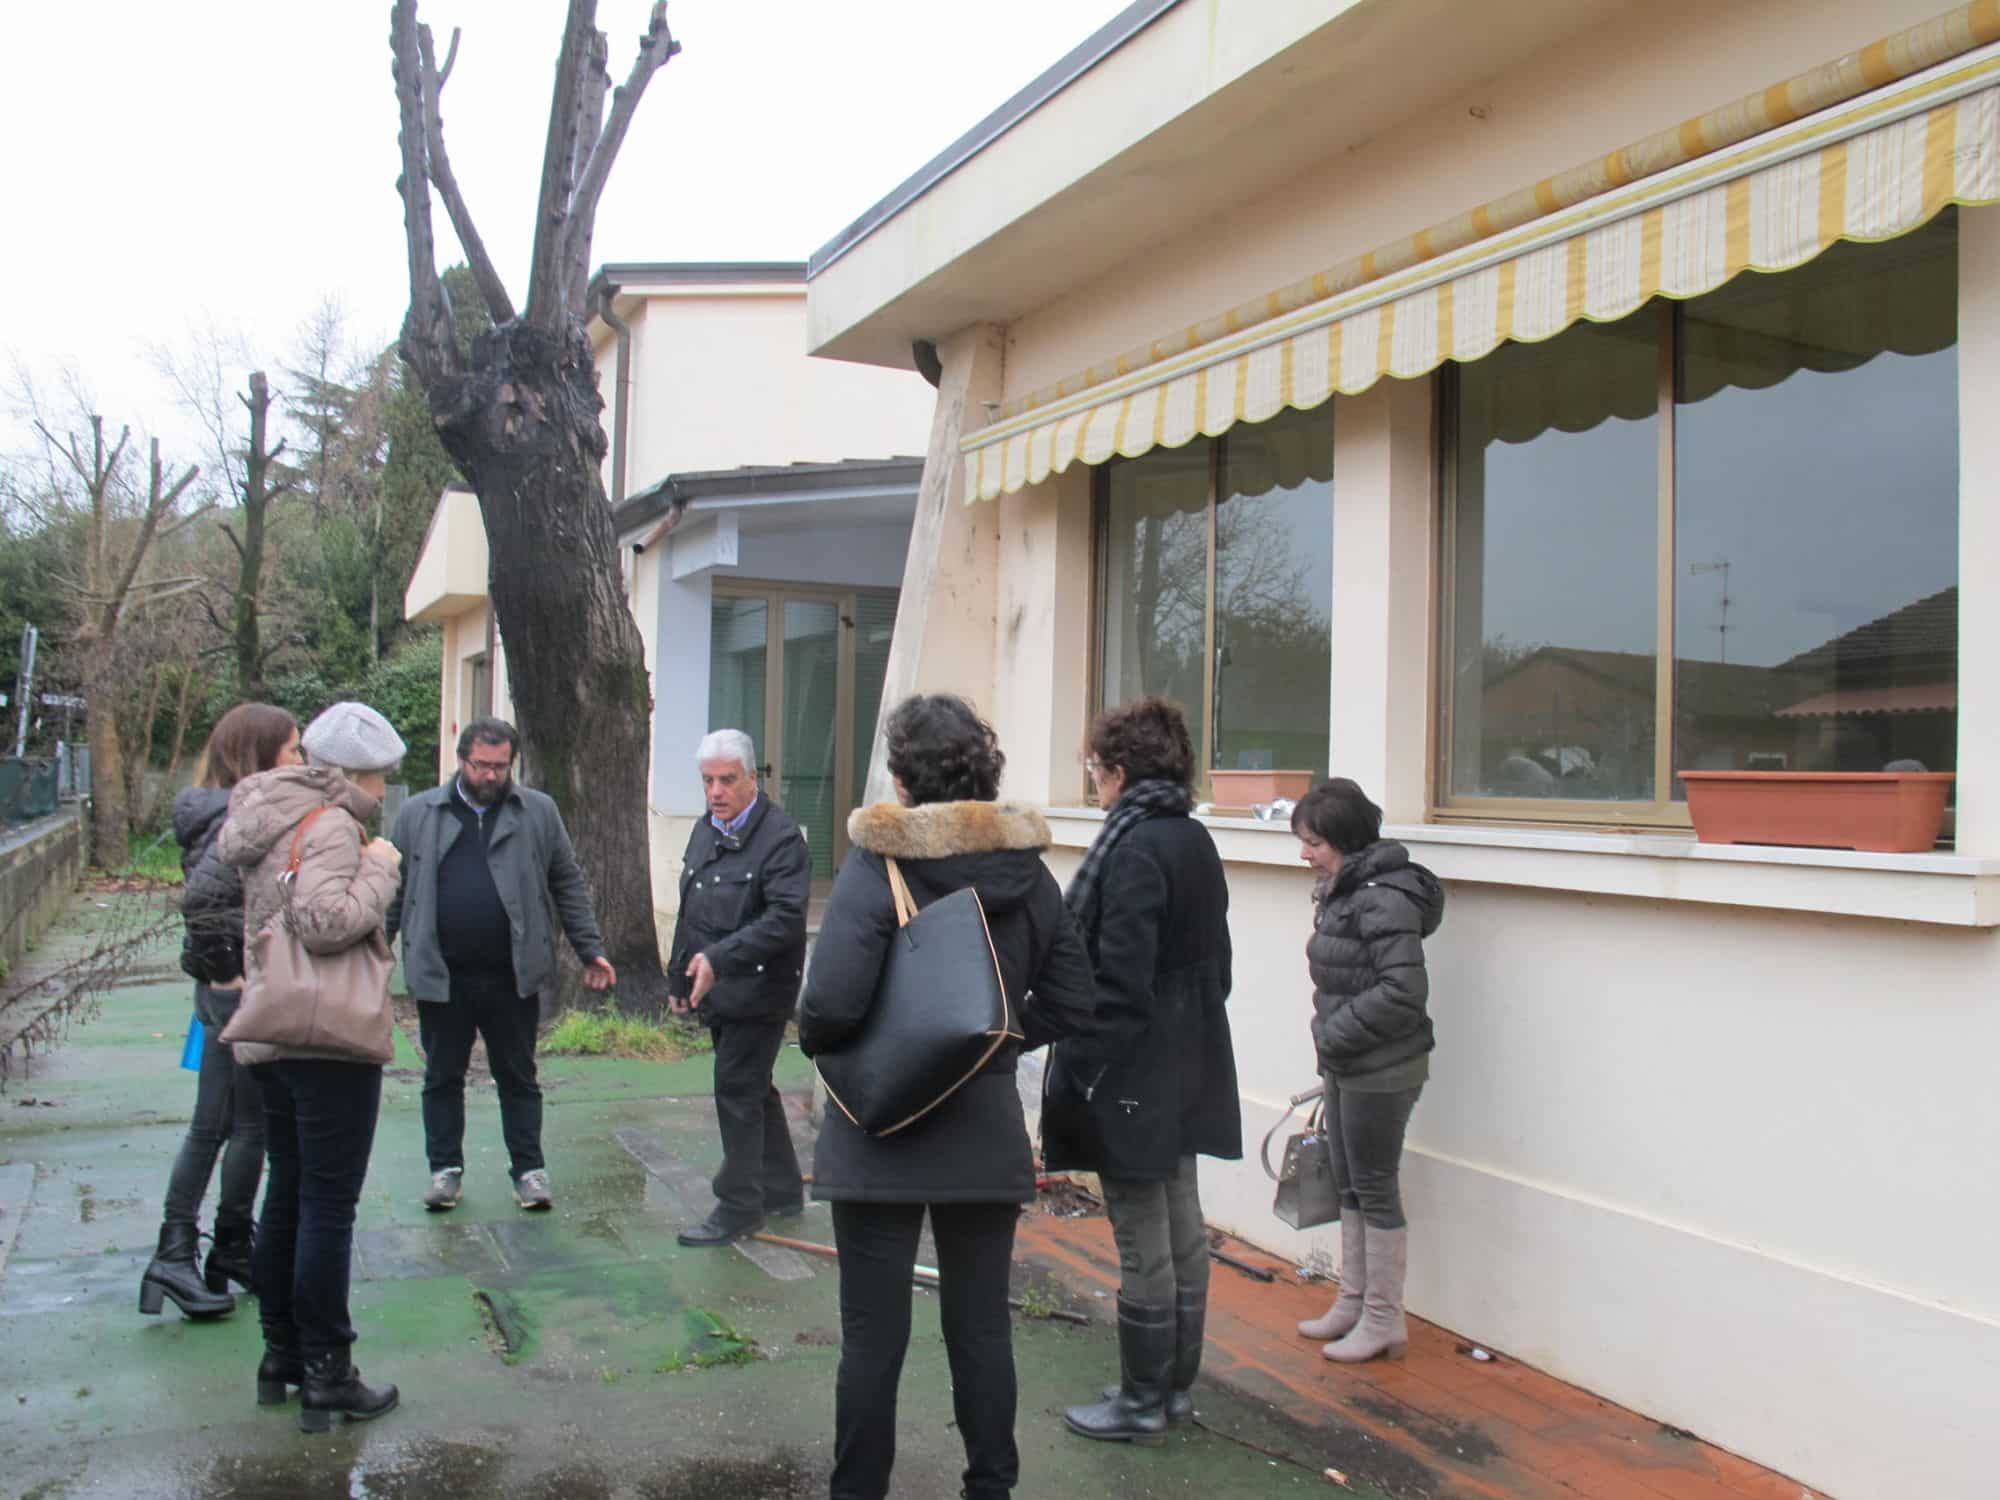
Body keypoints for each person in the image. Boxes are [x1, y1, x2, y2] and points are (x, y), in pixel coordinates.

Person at [800, 694, 1095, 1500]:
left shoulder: (879, 861)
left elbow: (827, 1009)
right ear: (984, 774)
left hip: (879, 1128)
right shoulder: (1029, 872)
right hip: (981, 1128)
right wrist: (986, 1045)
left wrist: (899, 1050)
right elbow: (1073, 1000)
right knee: (980, 1327)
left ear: (901, 779)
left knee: (872, 1337)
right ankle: (990, 1488)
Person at [1046, 696, 1240, 1443]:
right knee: (1182, 1215)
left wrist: (1086, 1071)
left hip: (1134, 1068)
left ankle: (1140, 1401)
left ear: (1118, 773)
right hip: (1190, 1056)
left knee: (1141, 1232)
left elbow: (1117, 985)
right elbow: (1217, 967)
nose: (1093, 785)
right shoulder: (1193, 838)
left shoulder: (1129, 850)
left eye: (1094, 772)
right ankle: (1174, 1392)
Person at [219, 701, 407, 1431]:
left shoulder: (270, 816)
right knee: (328, 1207)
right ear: (357, 773)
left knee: (288, 1195)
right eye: (382, 776)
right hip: (326, 1040)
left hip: (272, 1038)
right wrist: (380, 870)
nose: (386, 789)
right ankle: (329, 1370)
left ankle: (283, 1354)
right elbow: (326, 922)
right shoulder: (331, 824)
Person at [386, 718, 615, 1213]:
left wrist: (589, 946)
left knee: (518, 1075)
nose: (490, 776)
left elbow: (567, 882)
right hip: (441, 976)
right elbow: (394, 891)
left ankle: (529, 1171)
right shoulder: (417, 814)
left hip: (513, 975)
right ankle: (444, 1170)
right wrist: (371, 956)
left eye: (500, 766)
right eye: (481, 766)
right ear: (461, 760)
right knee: (441, 1076)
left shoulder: (538, 812)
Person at [140, 702, 301, 1321]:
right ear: (259, 756)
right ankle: (176, 1250)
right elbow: (205, 898)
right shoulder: (239, 812)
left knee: (246, 1125)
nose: (299, 760)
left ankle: (229, 1245)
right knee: (218, 1123)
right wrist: (227, 975)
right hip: (235, 989)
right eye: (290, 750)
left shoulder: (229, 807)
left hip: (238, 986)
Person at [1289, 778, 1444, 1364]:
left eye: (1312, 842)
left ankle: (1384, 1320)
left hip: (1382, 1066)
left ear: (1344, 840)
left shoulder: (1381, 896)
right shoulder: (1347, 889)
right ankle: (1353, 1302)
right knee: (1349, 1182)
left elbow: (1402, 990)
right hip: (1350, 1058)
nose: (1304, 854)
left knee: (1374, 1186)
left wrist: (1334, 1032)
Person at [666, 730, 810, 1247]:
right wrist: (680, 973)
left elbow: (785, 921)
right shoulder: (708, 829)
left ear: (753, 777)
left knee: (736, 1091)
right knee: (753, 1087)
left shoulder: (782, 839)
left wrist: (719, 959)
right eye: (708, 781)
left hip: (760, 989)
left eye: (728, 780)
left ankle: (740, 1207)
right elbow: (693, 906)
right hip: (717, 988)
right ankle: (782, 1189)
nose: (716, 792)